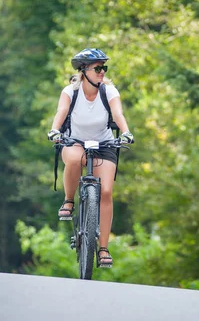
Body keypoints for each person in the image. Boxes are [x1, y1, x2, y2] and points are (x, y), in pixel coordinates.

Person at [47, 48, 134, 268]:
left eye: (104, 67)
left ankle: (103, 248)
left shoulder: (109, 91)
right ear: (84, 71)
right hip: (74, 141)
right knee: (74, 159)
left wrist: (126, 133)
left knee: (105, 191)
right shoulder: (70, 91)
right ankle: (68, 200)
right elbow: (61, 111)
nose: (102, 72)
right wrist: (55, 130)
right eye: (98, 68)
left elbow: (118, 114)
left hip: (104, 144)